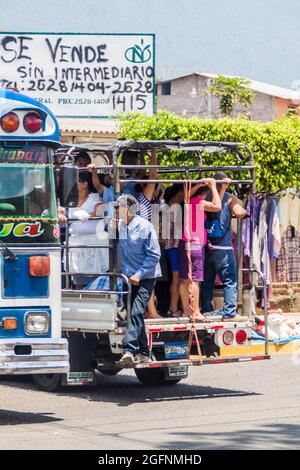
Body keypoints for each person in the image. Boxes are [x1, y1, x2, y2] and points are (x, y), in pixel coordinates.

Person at [114, 195, 162, 365]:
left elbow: (155, 254)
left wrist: (139, 274)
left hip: (146, 276)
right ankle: (144, 351)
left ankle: (129, 350)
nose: (116, 211)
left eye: (119, 207)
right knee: (136, 315)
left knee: (136, 312)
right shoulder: (119, 225)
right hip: (129, 277)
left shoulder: (144, 226)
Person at [201, 172, 248, 321]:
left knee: (207, 282)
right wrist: (245, 211)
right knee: (229, 281)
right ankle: (228, 312)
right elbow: (239, 213)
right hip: (223, 249)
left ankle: (207, 309)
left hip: (207, 247)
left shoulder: (205, 197)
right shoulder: (229, 198)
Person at [179, 178, 222, 320]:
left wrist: (197, 184)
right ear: (204, 194)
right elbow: (217, 206)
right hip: (196, 244)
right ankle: (196, 311)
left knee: (184, 280)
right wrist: (214, 186)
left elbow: (186, 194)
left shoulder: (187, 202)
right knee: (195, 280)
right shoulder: (199, 202)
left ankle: (186, 311)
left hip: (185, 243)